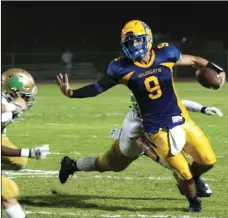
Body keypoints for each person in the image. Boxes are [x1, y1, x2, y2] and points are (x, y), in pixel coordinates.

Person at [56, 20, 226, 212]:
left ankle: (188, 180)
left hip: (176, 120)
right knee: (113, 163)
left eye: (136, 41)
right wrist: (72, 93)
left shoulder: (165, 53)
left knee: (201, 162)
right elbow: (98, 87)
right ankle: (73, 165)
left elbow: (191, 66)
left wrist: (216, 74)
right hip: (141, 127)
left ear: (147, 39)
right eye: (129, 43)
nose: (133, 46)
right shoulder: (121, 67)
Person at [59, 94, 222, 200]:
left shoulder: (158, 106)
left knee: (177, 159)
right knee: (105, 164)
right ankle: (71, 165)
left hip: (154, 139)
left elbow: (180, 103)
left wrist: (203, 108)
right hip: (132, 148)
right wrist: (160, 160)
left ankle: (193, 182)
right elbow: (144, 146)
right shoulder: (135, 125)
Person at [1, 68, 50, 218]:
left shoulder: (8, 101)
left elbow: (22, 105)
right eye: (23, 95)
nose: (26, 99)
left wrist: (12, 106)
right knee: (8, 190)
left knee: (18, 162)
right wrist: (27, 152)